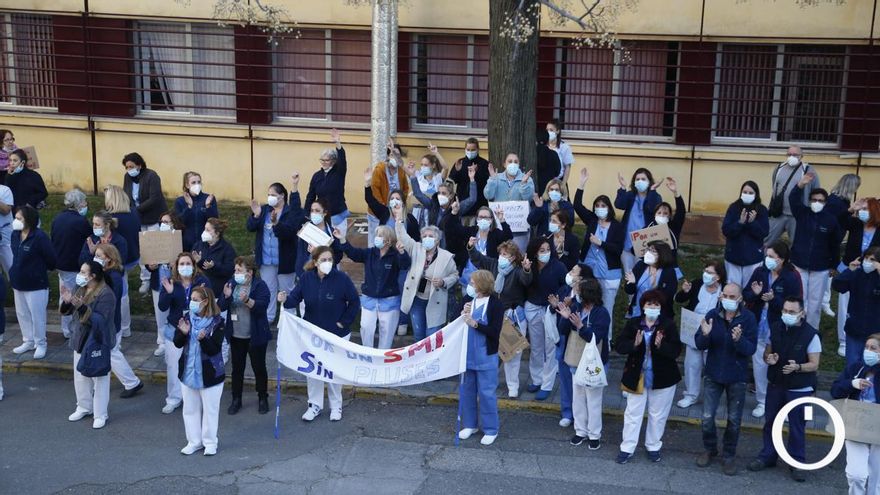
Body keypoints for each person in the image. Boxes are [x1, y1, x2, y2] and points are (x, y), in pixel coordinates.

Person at [279, 246, 360, 422]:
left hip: (336, 334)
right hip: (312, 335)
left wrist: (343, 323)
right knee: (313, 371)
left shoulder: (342, 279)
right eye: (323, 260)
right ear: (315, 262)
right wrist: (285, 300)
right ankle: (314, 405)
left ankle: (336, 406)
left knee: (333, 372)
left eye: (330, 259)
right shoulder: (307, 278)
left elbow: (354, 302)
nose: (328, 263)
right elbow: (295, 298)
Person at [747, 297, 821, 483]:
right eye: (785, 311)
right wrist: (769, 358)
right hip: (777, 383)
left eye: (792, 312)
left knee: (797, 426)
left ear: (802, 313)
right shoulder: (776, 327)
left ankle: (797, 462)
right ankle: (768, 456)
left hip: (800, 388)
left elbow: (814, 364)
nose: (787, 315)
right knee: (771, 422)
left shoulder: (811, 335)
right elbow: (767, 353)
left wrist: (798, 367)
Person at [694, 283, 757, 476]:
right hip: (714, 373)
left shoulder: (748, 318)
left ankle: (729, 455)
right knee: (706, 417)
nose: (728, 299)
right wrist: (705, 334)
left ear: (740, 299)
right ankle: (710, 448)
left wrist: (739, 341)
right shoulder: (712, 315)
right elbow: (699, 343)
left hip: (736, 376)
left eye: (732, 296)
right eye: (725, 296)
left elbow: (751, 349)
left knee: (734, 420)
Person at [615, 289, 682, 464]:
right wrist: (634, 344)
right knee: (632, 413)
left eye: (656, 304)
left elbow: (676, 351)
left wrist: (661, 346)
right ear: (643, 306)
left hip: (663, 378)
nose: (652, 307)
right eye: (649, 304)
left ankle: (653, 446)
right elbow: (620, 345)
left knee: (658, 414)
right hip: (637, 376)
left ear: (661, 307)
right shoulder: (634, 324)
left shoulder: (668, 325)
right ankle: (627, 447)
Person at [744, 240, 803, 419]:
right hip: (759, 325)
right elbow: (746, 294)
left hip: (780, 326)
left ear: (782, 259)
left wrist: (774, 300)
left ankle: (783, 405)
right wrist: (755, 294)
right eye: (766, 256)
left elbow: (795, 303)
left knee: (781, 365)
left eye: (771, 257)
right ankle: (762, 400)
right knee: (759, 364)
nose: (767, 259)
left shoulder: (792, 276)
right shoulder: (760, 271)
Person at [468, 239, 533, 398]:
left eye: (505, 255)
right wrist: (471, 247)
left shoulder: (518, 271)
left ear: (513, 257)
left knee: (513, 353)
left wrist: (526, 270)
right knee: (492, 351)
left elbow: (526, 281)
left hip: (514, 316)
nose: (501, 257)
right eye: (501, 254)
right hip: (496, 314)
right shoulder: (493, 266)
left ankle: (513, 386)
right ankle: (489, 382)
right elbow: (479, 259)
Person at [335, 225, 410, 349]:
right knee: (365, 328)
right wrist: (342, 239)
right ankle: (368, 355)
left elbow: (405, 265)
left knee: (386, 333)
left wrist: (402, 252)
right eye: (377, 235)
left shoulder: (395, 255)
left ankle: (383, 357)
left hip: (389, 301)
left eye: (381, 236)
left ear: (389, 240)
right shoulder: (369, 253)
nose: (377, 238)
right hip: (369, 299)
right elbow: (353, 253)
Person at [61, 261, 116, 429]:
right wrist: (68, 302)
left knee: (99, 377)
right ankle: (84, 406)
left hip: (97, 340)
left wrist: (82, 307)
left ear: (93, 276)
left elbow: (100, 320)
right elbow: (69, 311)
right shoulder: (81, 288)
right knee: (80, 375)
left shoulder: (106, 294)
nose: (80, 274)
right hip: (80, 339)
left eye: (84, 272)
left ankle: (100, 413)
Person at [556, 279, 610, 449]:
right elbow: (563, 331)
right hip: (575, 360)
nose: (576, 294)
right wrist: (565, 319)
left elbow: (596, 338)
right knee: (578, 398)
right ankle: (580, 431)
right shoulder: (575, 308)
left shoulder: (602, 313)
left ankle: (594, 434)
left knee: (593, 399)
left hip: (593, 362)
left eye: (579, 292)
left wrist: (580, 326)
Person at [573, 168, 624, 340]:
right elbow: (577, 206)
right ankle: (585, 336)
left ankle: (606, 342)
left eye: (603, 206)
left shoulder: (617, 226)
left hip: (609, 274)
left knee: (606, 309)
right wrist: (581, 183)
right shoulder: (592, 221)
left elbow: (617, 249)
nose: (600, 208)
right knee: (586, 304)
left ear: (609, 208)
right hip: (590, 271)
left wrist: (601, 243)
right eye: (597, 206)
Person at [174, 286, 225, 456]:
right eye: (191, 299)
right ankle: (194, 441)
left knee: (210, 410)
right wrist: (183, 333)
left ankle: (210, 442)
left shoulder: (217, 322)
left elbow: (214, 350)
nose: (192, 303)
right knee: (190, 408)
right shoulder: (186, 318)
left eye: (196, 300)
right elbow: (177, 343)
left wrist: (203, 340)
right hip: (188, 372)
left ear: (205, 302)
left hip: (210, 373)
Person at [395, 207, 459, 340]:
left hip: (435, 301)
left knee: (432, 337)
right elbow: (403, 237)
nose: (427, 238)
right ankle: (419, 361)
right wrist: (399, 221)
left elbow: (455, 275)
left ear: (437, 241)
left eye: (431, 236)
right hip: (417, 300)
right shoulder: (416, 248)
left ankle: (432, 361)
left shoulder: (446, 257)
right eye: (424, 236)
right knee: (418, 336)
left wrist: (443, 282)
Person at [158, 252, 210, 415]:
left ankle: (195, 397)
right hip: (175, 329)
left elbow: (209, 305)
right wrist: (169, 292)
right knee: (173, 365)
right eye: (182, 264)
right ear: (176, 266)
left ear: (193, 266)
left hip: (196, 329)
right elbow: (162, 307)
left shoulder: (202, 282)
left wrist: (203, 296)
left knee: (196, 363)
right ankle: (174, 398)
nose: (185, 267)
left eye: (188, 263)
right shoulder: (171, 283)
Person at [788, 173, 842, 330]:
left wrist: (834, 265)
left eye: (820, 201)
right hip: (799, 263)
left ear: (825, 203)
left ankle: (811, 332)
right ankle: (796, 328)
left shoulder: (831, 220)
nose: (817, 203)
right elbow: (793, 199)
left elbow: (835, 244)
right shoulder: (802, 213)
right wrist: (800, 185)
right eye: (814, 200)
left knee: (815, 303)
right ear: (810, 201)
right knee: (800, 298)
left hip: (820, 268)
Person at [219, 256, 270, 415]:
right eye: (235, 270)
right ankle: (236, 399)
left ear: (249, 272)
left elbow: (262, 307)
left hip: (255, 336)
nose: (236, 273)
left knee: (259, 368)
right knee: (237, 369)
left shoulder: (260, 286)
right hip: (236, 335)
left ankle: (262, 397)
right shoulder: (232, 284)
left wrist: (247, 300)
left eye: (239, 270)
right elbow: (221, 306)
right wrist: (226, 296)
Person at [830, 332, 880, 495]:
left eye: (873, 348)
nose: (868, 351)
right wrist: (852, 384)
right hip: (855, 425)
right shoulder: (856, 368)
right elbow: (835, 390)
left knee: (876, 480)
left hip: (878, 431)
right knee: (856, 475)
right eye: (866, 347)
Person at [457, 269, 503, 446]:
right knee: (466, 391)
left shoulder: (496, 305)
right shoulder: (469, 300)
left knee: (486, 393)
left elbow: (494, 331)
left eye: (473, 282)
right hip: (467, 355)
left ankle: (491, 429)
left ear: (482, 284)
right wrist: (463, 312)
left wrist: (475, 324)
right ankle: (470, 425)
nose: (470, 285)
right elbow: (457, 322)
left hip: (486, 356)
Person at [673, 260, 726, 409]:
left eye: (710, 273)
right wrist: (684, 291)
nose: (706, 274)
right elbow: (678, 300)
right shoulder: (697, 284)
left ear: (718, 277)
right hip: (693, 329)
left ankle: (711, 397)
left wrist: (723, 302)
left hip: (714, 331)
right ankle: (691, 395)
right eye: (705, 271)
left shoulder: (724, 290)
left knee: (711, 365)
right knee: (692, 364)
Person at [246, 181, 301, 323]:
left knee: (286, 293)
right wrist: (256, 215)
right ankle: (268, 319)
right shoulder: (264, 210)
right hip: (266, 260)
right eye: (269, 194)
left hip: (285, 261)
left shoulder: (289, 211)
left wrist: (277, 223)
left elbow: (289, 232)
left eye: (273, 195)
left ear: (282, 196)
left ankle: (289, 320)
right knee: (269, 291)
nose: (270, 197)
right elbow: (250, 227)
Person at [93, 244, 144, 399]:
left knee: (111, 352)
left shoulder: (112, 277)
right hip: (109, 320)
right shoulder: (111, 274)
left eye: (99, 256)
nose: (96, 258)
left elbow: (109, 299)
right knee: (109, 352)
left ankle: (132, 382)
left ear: (109, 258)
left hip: (109, 321)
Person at [547, 263, 593, 426]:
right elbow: (557, 314)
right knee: (565, 377)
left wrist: (570, 306)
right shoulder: (564, 290)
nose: (569, 273)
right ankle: (567, 412)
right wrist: (556, 307)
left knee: (582, 379)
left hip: (581, 340)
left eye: (573, 272)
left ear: (581, 278)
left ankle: (584, 413)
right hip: (564, 338)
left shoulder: (588, 293)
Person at [523, 237, 567, 401]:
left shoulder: (558, 266)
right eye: (542, 250)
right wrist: (526, 270)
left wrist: (557, 301)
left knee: (550, 348)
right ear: (535, 252)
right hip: (533, 307)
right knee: (536, 346)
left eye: (548, 249)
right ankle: (536, 379)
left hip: (550, 310)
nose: (546, 253)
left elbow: (565, 286)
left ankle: (547, 384)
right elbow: (524, 283)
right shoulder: (530, 265)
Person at [835, 198, 880, 359]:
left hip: (872, 272)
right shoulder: (855, 224)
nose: (863, 212)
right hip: (852, 267)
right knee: (844, 304)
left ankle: (871, 342)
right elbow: (839, 220)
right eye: (862, 209)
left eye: (866, 209)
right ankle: (843, 340)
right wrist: (851, 208)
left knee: (865, 303)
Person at [10, 205, 56, 359]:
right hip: (18, 282)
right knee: (22, 314)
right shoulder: (15, 235)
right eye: (15, 218)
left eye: (19, 218)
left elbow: (51, 258)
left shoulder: (40, 237)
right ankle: (28, 341)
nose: (15, 221)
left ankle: (40, 343)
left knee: (37, 316)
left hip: (36, 284)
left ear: (28, 220)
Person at [121, 152, 168, 295]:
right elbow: (126, 195)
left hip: (153, 216)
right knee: (142, 248)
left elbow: (155, 198)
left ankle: (158, 277)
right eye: (127, 167)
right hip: (138, 218)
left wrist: (136, 210)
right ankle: (145, 279)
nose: (129, 170)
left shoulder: (151, 176)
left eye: (132, 166)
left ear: (139, 165)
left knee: (153, 248)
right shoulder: (127, 178)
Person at [52, 189, 92, 339]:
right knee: (74, 297)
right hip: (74, 265)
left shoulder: (58, 218)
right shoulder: (80, 221)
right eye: (84, 201)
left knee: (64, 294)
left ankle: (66, 328)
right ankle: (71, 329)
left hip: (61, 263)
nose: (86, 204)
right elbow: (89, 239)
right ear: (79, 203)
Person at [832, 248, 880, 368]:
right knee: (852, 367)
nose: (868, 262)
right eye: (866, 258)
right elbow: (838, 286)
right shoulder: (857, 274)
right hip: (854, 329)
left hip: (875, 334)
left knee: (871, 369)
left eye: (872, 259)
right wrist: (849, 270)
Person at [104, 185, 141, 338]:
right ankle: (126, 327)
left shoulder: (111, 218)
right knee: (123, 291)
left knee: (120, 292)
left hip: (117, 259)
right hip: (133, 257)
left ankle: (122, 326)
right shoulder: (133, 213)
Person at [765, 145, 819, 246]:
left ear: (801, 156)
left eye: (795, 154)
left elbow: (815, 191)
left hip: (797, 217)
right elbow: (775, 188)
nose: (792, 157)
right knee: (766, 241)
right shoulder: (779, 168)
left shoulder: (808, 170)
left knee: (797, 244)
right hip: (778, 214)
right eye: (789, 154)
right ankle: (762, 260)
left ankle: (793, 261)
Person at [147, 212, 184, 357]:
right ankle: (161, 342)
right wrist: (151, 266)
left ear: (174, 223)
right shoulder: (155, 241)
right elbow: (148, 264)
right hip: (159, 283)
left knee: (175, 313)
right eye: (161, 221)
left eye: (167, 222)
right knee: (160, 314)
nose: (163, 224)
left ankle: (176, 339)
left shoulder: (180, 240)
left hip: (176, 283)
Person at [447, 206, 512, 287]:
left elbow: (509, 237)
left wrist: (502, 219)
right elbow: (452, 228)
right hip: (468, 277)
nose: (483, 219)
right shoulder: (471, 231)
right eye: (481, 217)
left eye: (486, 217)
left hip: (487, 278)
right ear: (477, 219)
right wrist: (454, 212)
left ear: (491, 220)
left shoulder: (496, 233)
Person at [409, 169, 476, 247]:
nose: (440, 196)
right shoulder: (433, 204)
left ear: (451, 196)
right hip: (433, 242)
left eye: (443, 193)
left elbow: (472, 199)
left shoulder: (457, 207)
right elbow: (418, 194)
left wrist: (472, 180)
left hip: (449, 244)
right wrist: (413, 177)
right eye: (439, 193)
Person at [483, 153, 535, 252]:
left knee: (518, 254)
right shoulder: (496, 177)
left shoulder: (527, 178)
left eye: (516, 162)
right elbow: (488, 195)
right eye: (510, 161)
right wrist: (492, 180)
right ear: (504, 164)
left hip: (520, 228)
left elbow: (528, 198)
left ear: (519, 164)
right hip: (500, 227)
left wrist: (523, 184)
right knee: (499, 254)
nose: (513, 164)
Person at [722, 181, 769, 289]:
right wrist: (740, 223)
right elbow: (726, 230)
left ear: (756, 194)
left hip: (753, 259)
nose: (747, 194)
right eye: (745, 192)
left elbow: (763, 233)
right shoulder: (733, 208)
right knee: (733, 289)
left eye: (750, 192)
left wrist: (753, 223)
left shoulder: (761, 210)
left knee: (750, 290)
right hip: (733, 258)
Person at [615, 168, 662, 273]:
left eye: (643, 179)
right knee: (629, 273)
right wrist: (622, 187)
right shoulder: (630, 195)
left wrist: (653, 190)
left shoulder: (655, 196)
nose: (640, 181)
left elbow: (653, 207)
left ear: (649, 181)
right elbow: (619, 204)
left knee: (642, 273)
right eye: (638, 179)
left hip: (645, 243)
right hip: (627, 242)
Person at [304, 129, 350, 237]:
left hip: (338, 215)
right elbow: (310, 196)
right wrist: (306, 214)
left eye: (327, 160)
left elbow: (342, 159)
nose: (324, 163)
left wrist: (337, 143)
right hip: (322, 216)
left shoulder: (339, 172)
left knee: (338, 244)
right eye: (322, 160)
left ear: (333, 161)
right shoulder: (316, 176)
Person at [368, 140, 410, 246]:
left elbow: (405, 188)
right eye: (392, 154)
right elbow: (375, 189)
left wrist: (401, 203)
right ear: (388, 156)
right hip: (379, 211)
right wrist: (383, 207)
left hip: (395, 211)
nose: (394, 157)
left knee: (393, 237)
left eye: (397, 155)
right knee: (377, 239)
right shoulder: (380, 169)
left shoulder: (401, 170)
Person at [624, 241, 677, 319]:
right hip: (637, 312)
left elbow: (668, 296)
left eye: (653, 251)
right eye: (648, 250)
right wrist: (631, 283)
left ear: (662, 255)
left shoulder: (669, 272)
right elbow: (629, 291)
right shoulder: (640, 266)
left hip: (658, 315)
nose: (648, 253)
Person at [294, 199, 342, 279]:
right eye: (312, 211)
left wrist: (318, 254)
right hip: (306, 274)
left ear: (325, 213)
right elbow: (301, 255)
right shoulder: (306, 229)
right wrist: (300, 273)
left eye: (317, 211)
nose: (314, 213)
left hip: (326, 275)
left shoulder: (332, 233)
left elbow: (338, 256)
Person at [174, 171, 219, 252]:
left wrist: (208, 207)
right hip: (186, 243)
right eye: (193, 182)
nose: (197, 185)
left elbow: (215, 221)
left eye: (199, 182)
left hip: (205, 241)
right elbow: (179, 223)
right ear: (187, 185)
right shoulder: (180, 201)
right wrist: (189, 207)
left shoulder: (208, 198)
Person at [191, 217, 237, 296]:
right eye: (205, 229)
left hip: (217, 291)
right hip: (199, 290)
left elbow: (229, 270)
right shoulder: (199, 245)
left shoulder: (227, 249)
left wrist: (214, 266)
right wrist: (197, 262)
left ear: (217, 233)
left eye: (208, 230)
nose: (204, 232)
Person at [447, 137, 490, 218]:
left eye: (473, 150)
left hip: (479, 204)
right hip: (463, 204)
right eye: (468, 149)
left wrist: (477, 172)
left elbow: (487, 183)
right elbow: (452, 181)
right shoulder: (460, 162)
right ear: (465, 149)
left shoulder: (484, 163)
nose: (470, 152)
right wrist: (457, 170)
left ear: (478, 149)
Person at [409, 146, 448, 226]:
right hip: (417, 211)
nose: (423, 167)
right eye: (422, 165)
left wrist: (436, 153)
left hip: (433, 211)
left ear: (433, 166)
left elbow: (446, 168)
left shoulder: (438, 178)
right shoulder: (418, 175)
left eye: (426, 165)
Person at [534, 129, 562, 197]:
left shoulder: (531, 154)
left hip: (534, 191)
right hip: (549, 190)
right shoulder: (554, 154)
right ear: (548, 141)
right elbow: (557, 172)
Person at [546, 119, 574, 183]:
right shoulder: (544, 146)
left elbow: (567, 167)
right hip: (545, 181)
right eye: (547, 130)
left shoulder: (564, 147)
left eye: (551, 130)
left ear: (558, 131)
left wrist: (563, 184)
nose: (548, 132)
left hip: (559, 181)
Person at [0, 176, 14, 272]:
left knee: (10, 264)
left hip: (4, 233)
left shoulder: (5, 190)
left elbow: (6, 210)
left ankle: (16, 284)